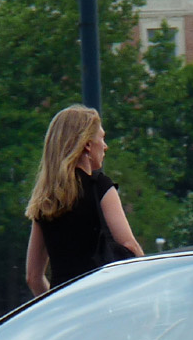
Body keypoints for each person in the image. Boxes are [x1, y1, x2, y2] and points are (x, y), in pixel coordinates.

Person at [24, 105, 144, 296]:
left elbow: (33, 277)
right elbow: (130, 246)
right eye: (102, 138)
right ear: (87, 144)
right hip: (101, 300)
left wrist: (55, 306)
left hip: (65, 310)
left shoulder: (46, 201)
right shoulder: (100, 187)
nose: (105, 146)